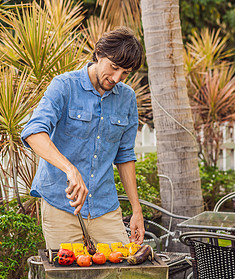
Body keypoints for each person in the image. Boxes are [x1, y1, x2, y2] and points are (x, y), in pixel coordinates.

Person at [21, 27, 145, 249]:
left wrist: (136, 210)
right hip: (61, 204)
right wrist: (70, 169)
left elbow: (125, 155)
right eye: (114, 67)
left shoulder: (127, 98)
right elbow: (33, 132)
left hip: (105, 206)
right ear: (98, 53)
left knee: (121, 275)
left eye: (125, 73)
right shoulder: (64, 86)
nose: (117, 78)